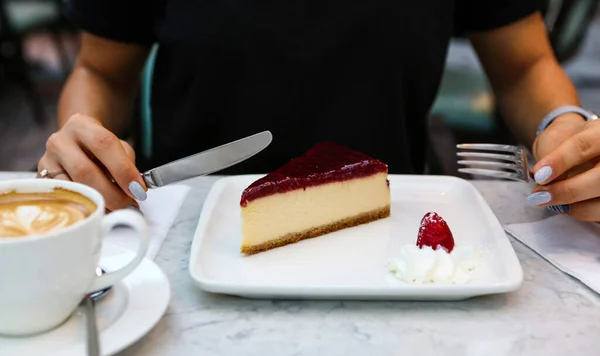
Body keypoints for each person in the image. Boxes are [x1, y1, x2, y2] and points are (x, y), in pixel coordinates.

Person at [37, 0, 599, 221]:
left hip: (398, 228)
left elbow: (525, 67)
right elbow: (101, 71)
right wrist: (82, 150)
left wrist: (566, 129)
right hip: (183, 233)